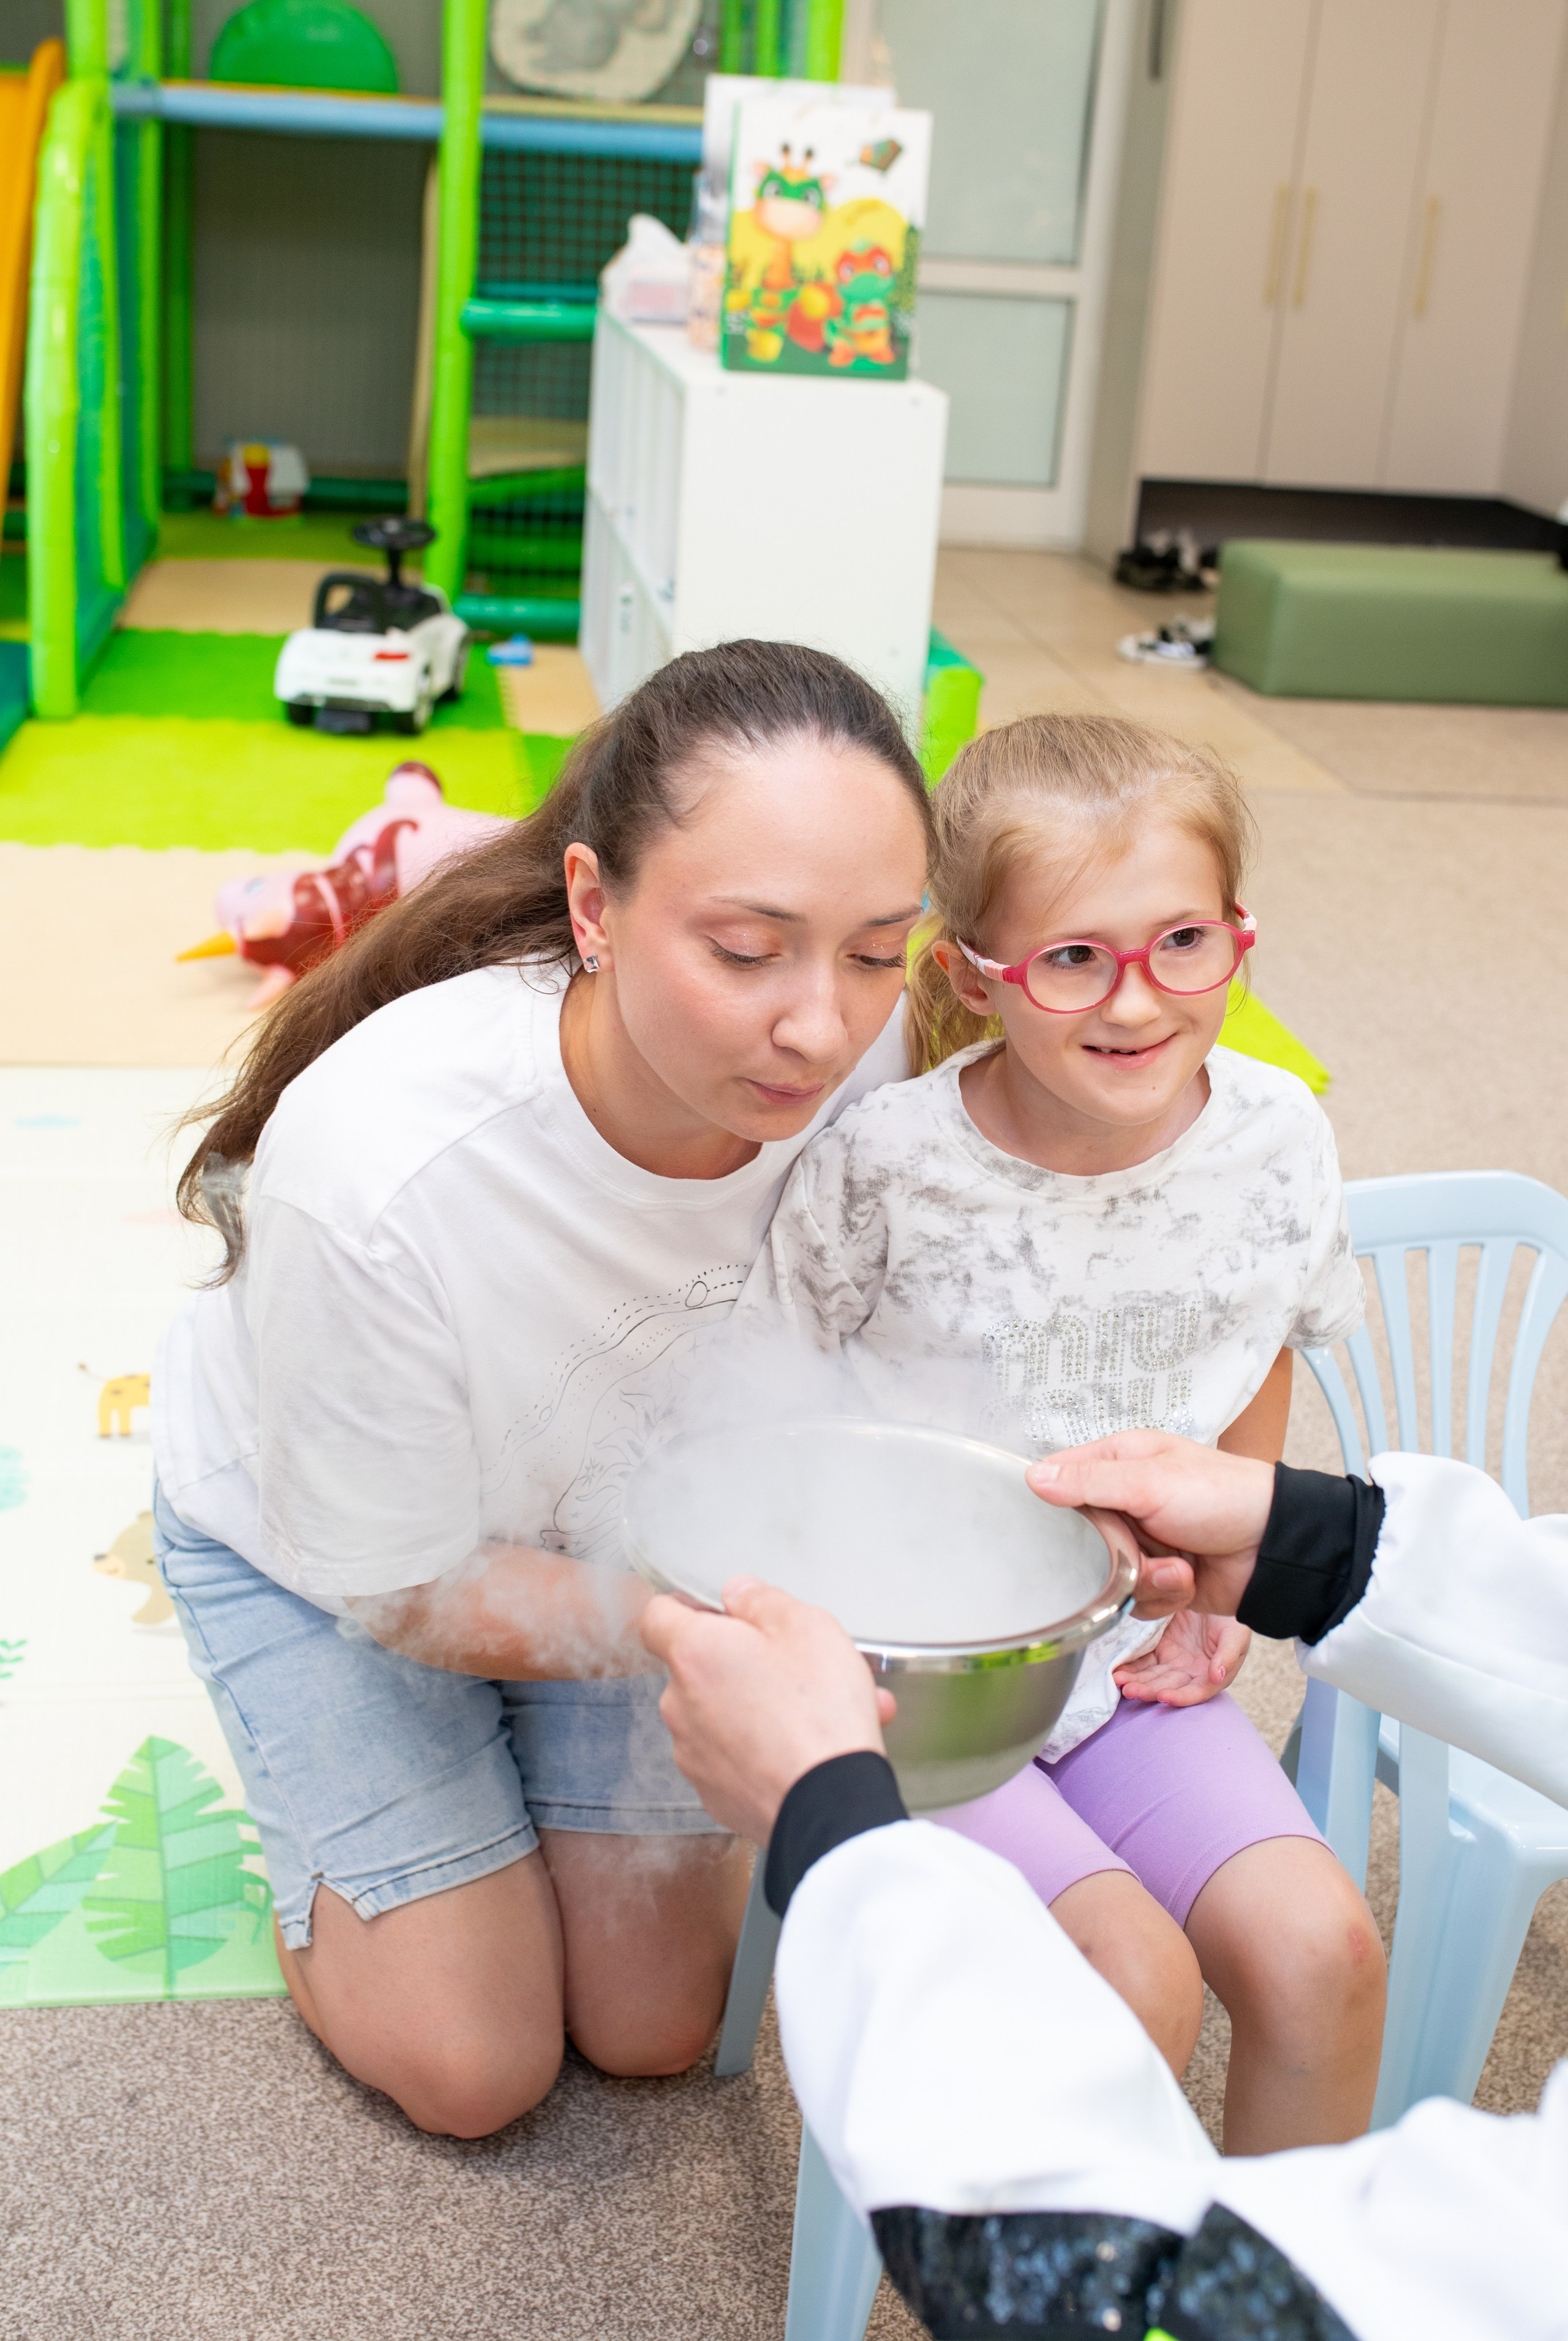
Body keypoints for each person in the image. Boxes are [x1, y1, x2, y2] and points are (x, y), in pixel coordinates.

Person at [151, 640, 932, 2138]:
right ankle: (328, 1853)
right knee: (475, 2064)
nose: (820, 1029)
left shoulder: (872, 1061)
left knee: (656, 2025)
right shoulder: (378, 1166)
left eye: (875, 947)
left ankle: (490, 1786)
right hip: (340, 1558)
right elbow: (393, 1581)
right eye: (746, 949)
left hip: (612, 1527)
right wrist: (678, 1630)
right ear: (593, 906)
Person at [737, 714, 1381, 2147]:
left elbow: (1259, 1332)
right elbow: (764, 1425)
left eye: (1183, 943)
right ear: (977, 971)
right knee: (1126, 1982)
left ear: (1236, 933)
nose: (1138, 1003)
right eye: (1074, 957)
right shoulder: (887, 1165)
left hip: (1130, 1670)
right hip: (921, 1698)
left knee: (1320, 1953)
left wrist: (1233, 1573)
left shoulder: (1276, 1137)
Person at [643, 1432, 1568, 2341]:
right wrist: (1318, 1541)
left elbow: (1106, 2275)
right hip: (947, 1630)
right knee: (1136, 1967)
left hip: (1046, 1699)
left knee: (1317, 1955)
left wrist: (832, 1822)